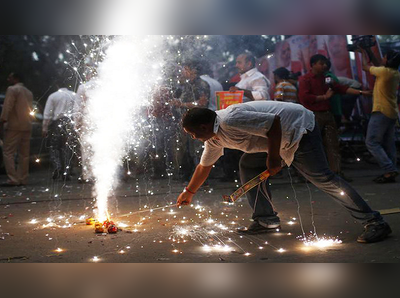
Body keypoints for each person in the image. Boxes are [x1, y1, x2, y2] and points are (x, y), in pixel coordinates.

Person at [176, 102, 391, 243]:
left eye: (192, 133)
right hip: (278, 141)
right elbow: (204, 166)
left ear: (204, 126)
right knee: (249, 165)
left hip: (298, 130)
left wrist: (273, 158)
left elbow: (273, 124)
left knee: (323, 178)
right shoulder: (213, 137)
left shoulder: (230, 120)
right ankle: (265, 220)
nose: (192, 137)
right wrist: (189, 192)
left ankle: (375, 222)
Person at [298, 54, 372, 182]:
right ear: (313, 64)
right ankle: (310, 175)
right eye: (321, 63)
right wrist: (324, 97)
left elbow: (340, 88)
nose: (324, 65)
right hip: (312, 116)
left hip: (327, 114)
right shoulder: (306, 79)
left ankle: (336, 174)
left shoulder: (326, 78)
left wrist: (362, 93)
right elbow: (304, 98)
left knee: (333, 144)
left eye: (325, 63)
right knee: (311, 145)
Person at [361, 49, 400, 183]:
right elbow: (380, 65)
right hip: (392, 112)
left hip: (381, 111)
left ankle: (389, 169)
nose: (382, 58)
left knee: (371, 142)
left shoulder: (383, 72)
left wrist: (362, 53)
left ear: (388, 60)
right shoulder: (394, 73)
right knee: (389, 144)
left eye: (384, 56)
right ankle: (391, 171)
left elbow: (365, 67)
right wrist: (369, 53)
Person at [0, 73, 33, 186]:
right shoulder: (28, 92)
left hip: (14, 126)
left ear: (16, 78)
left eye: (10, 77)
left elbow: (7, 106)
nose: (8, 79)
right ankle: (23, 178)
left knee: (8, 152)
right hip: (27, 125)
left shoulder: (12, 89)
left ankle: (13, 178)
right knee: (24, 154)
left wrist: (3, 119)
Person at [43, 87, 76, 180]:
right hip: (70, 123)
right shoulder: (74, 95)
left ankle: (57, 166)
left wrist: (44, 127)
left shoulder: (53, 96)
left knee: (54, 147)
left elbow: (47, 113)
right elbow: (77, 110)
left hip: (57, 123)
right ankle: (66, 170)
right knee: (67, 147)